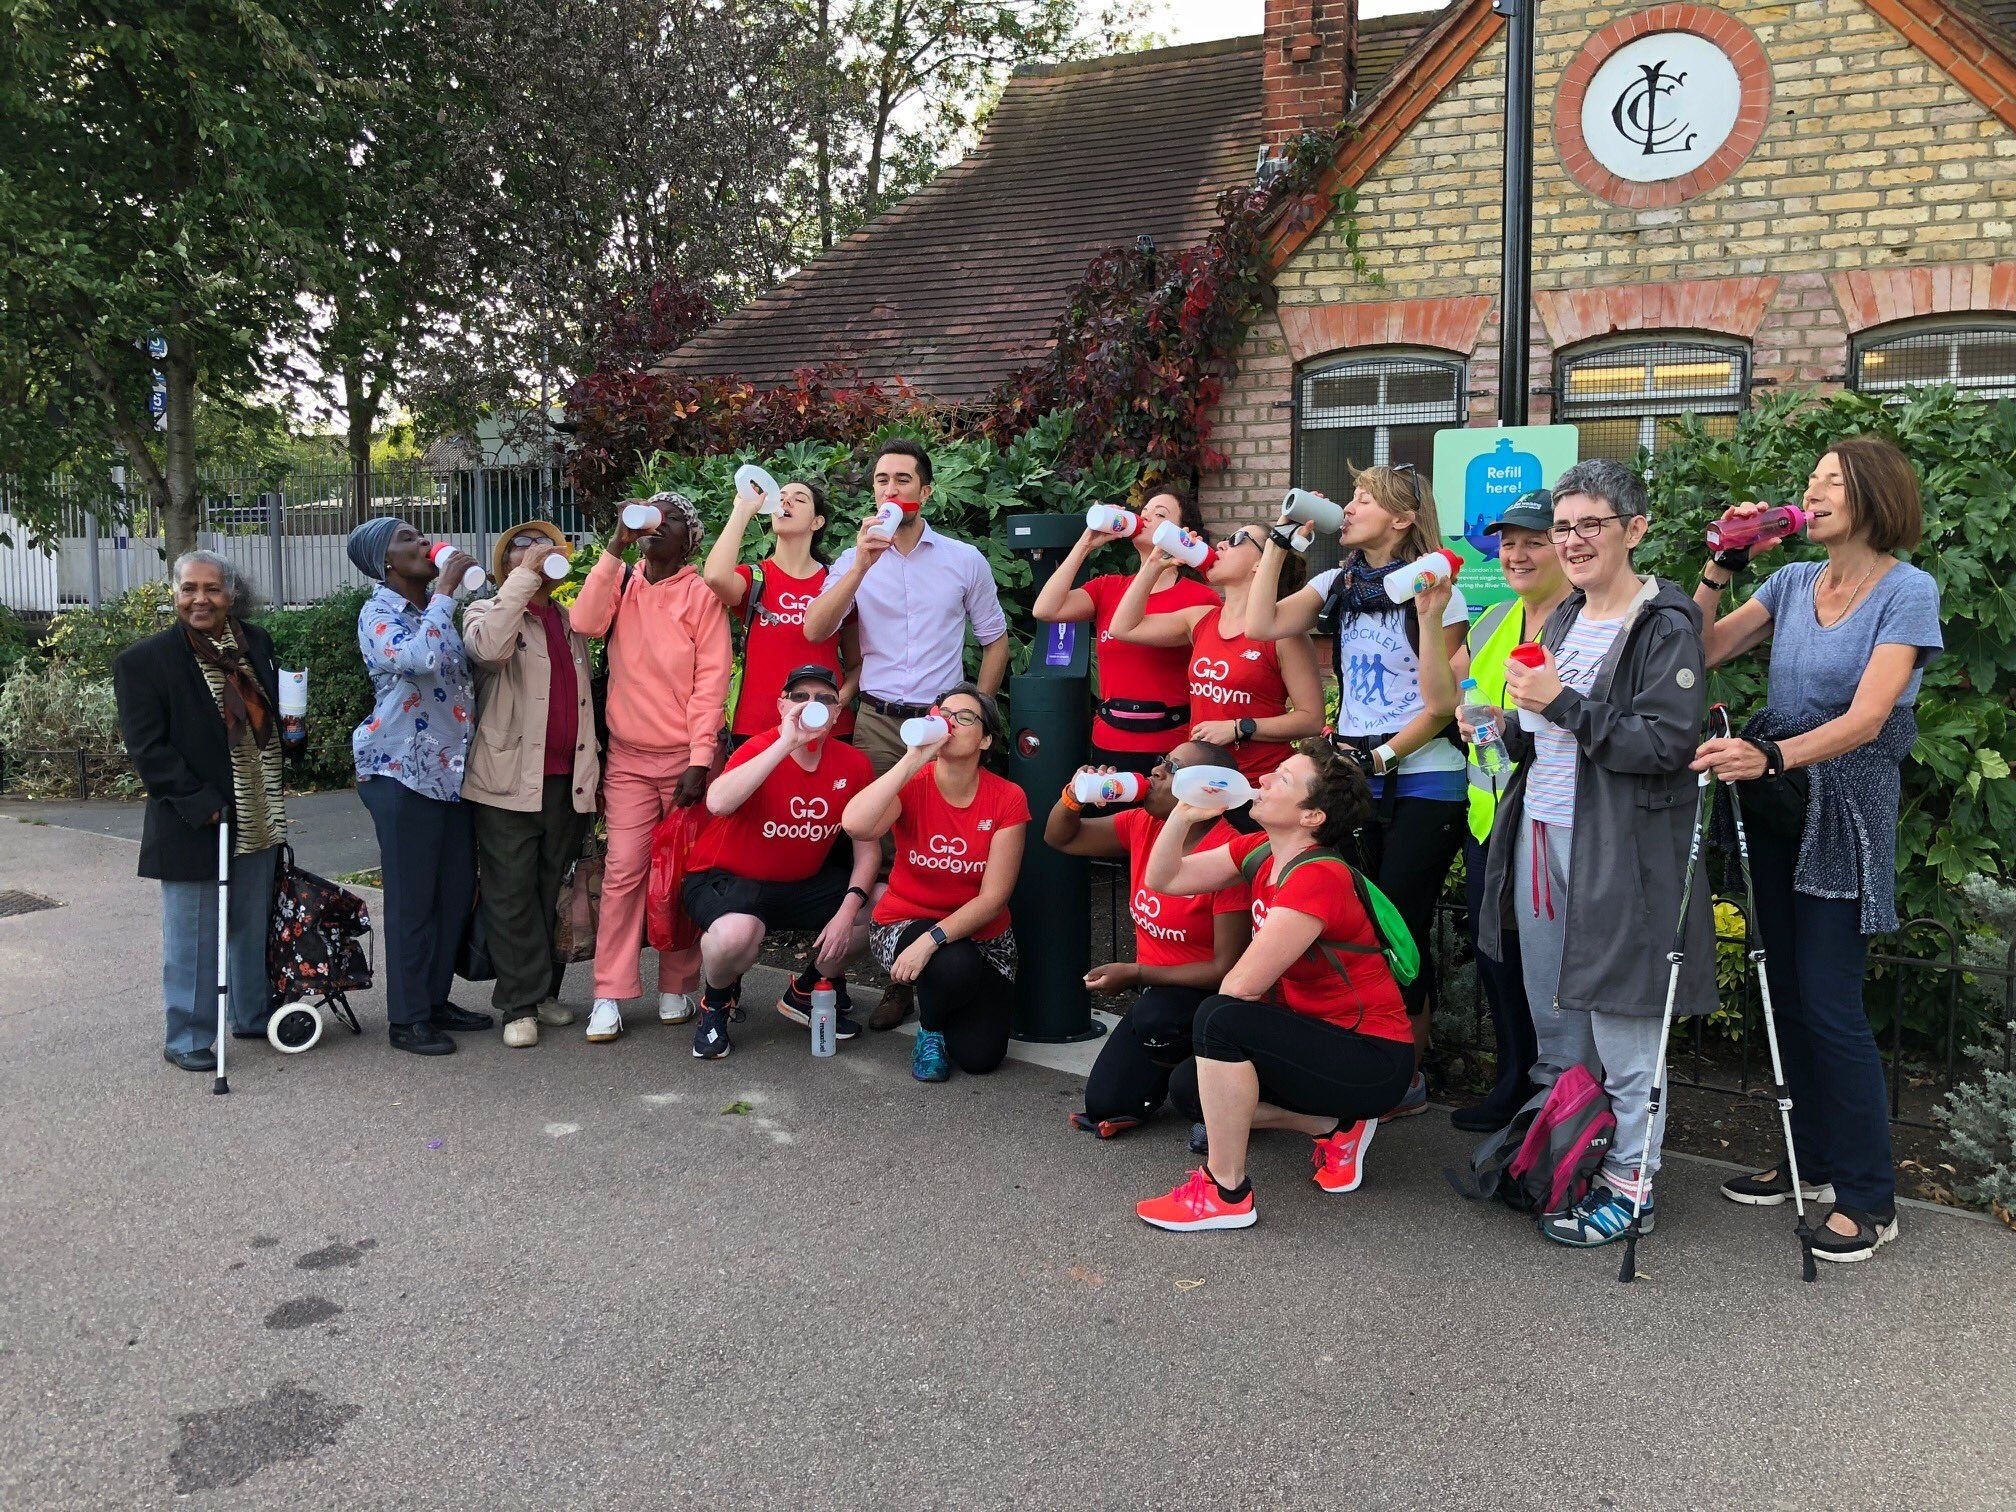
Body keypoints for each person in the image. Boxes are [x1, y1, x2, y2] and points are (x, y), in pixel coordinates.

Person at [1691, 437, 1943, 1263]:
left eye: (1830, 482)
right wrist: (1719, 566)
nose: (1812, 494)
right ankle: (1816, 1164)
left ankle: (1872, 1198)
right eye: (1810, 482)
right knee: (1786, 990)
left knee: (1831, 1000)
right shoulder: (1792, 580)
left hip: (1844, 808)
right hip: (1779, 801)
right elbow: (1699, 655)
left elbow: (1872, 717)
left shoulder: (1907, 590)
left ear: (1872, 494)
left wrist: (1772, 755)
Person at [1475, 459, 1711, 1247]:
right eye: (1563, 527)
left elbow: (1667, 742)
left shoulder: (1662, 624)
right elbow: (1547, 736)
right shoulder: (1565, 619)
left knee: (1623, 1026)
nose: (1572, 542)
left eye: (1589, 526)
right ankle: (1569, 1158)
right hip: (1542, 841)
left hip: (1620, 854)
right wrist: (1504, 725)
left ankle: (1631, 1186)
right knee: (1560, 1023)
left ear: (1633, 531)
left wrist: (1562, 704)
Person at [1248, 464, 1469, 1112]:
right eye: (1349, 497)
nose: (1348, 507)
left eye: (1364, 499)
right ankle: (1363, 1058)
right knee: (1352, 924)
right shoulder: (1337, 582)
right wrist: (1281, 538)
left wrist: (1381, 758)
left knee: (1399, 922)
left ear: (1402, 518)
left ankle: (1406, 1077)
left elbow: (1440, 704)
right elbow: (1261, 624)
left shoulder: (1435, 589)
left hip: (1423, 779)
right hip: (1358, 777)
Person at [1131, 742, 1415, 1231]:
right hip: (1318, 1040)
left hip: (1372, 1058)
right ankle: (1336, 1126)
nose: (1261, 779)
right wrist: (1184, 812)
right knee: (1193, 1092)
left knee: (1218, 1020)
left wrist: (1219, 1043)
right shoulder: (1259, 851)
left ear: (1312, 816)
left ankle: (1226, 1192)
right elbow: (1165, 879)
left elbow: (1241, 986)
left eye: (1281, 778)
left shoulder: (1320, 875)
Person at [803, 438, 1010, 1030]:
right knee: (877, 847)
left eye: (901, 480)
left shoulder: (963, 559)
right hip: (876, 719)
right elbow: (817, 627)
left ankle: (941, 968)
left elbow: (995, 638)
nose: (889, 491)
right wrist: (863, 563)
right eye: (880, 481)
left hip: (943, 726)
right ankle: (898, 975)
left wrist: (980, 711)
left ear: (925, 490)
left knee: (941, 843)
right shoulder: (854, 558)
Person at [114, 551, 289, 1071]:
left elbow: (267, 718)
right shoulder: (144, 662)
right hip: (197, 819)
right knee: (193, 935)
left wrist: (291, 737)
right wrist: (200, 802)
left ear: (230, 594)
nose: (200, 599)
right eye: (189, 588)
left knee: (250, 922)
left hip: (257, 808)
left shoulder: (255, 644)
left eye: (211, 589)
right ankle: (188, 1035)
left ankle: (252, 1013)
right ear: (174, 594)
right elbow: (149, 750)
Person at [570, 491, 732, 1044]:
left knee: (682, 875)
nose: (660, 524)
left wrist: (700, 759)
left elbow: (711, 683)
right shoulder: (622, 579)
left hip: (684, 763)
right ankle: (609, 994)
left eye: (676, 518)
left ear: (693, 537)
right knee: (623, 873)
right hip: (627, 760)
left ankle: (676, 985)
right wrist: (616, 543)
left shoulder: (701, 595)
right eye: (653, 516)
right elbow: (586, 621)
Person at [1044, 741, 1253, 1134]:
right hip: (1159, 997)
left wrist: (1137, 973)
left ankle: (1213, 1071)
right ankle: (1177, 1069)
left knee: (1171, 1051)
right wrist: (1076, 795)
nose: (1156, 771)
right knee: (1105, 1104)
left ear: (1210, 791)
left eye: (1172, 768)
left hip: (1209, 1001)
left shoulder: (1230, 855)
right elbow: (1062, 838)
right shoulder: (1144, 824)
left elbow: (1226, 969)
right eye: (1161, 762)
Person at [1443, 490, 1571, 1131]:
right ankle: (1513, 1082)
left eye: (1533, 540)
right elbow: (1443, 695)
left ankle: (1550, 1096)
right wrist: (1427, 618)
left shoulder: (1581, 622)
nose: (1517, 553)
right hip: (1488, 816)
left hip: (1545, 820)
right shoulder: (1495, 618)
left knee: (1543, 964)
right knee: (1497, 957)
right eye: (1509, 542)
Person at [679, 664, 880, 1060]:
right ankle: (716, 1002)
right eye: (800, 696)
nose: (812, 706)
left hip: (802, 883)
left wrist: (848, 910)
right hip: (728, 880)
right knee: (735, 936)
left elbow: (868, 849)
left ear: (838, 713)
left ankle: (808, 989)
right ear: (781, 705)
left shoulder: (854, 764)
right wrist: (784, 744)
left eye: (824, 699)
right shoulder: (760, 748)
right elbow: (718, 803)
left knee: (885, 906)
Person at [347, 518, 489, 1056]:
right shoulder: (378, 611)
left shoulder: (438, 609)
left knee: (453, 893)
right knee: (412, 901)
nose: (423, 542)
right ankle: (407, 1020)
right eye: (405, 539)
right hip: (400, 773)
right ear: (383, 561)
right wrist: (447, 592)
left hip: (451, 774)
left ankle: (434, 1000)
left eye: (420, 534)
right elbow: (418, 659)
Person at [840, 684, 1028, 1081]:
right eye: (942, 713)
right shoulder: (914, 781)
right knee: (953, 964)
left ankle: (944, 1000)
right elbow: (855, 823)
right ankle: (931, 1028)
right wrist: (911, 760)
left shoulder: (1007, 798)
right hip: (904, 924)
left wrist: (931, 942)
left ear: (986, 739)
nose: (949, 721)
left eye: (964, 717)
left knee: (980, 1058)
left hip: (983, 937)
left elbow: (993, 899)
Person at [461, 521, 599, 1049]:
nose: (540, 551)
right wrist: (520, 578)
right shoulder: (487, 611)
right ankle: (517, 1003)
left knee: (551, 890)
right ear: (506, 561)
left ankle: (542, 992)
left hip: (567, 781)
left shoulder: (569, 621)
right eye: (523, 544)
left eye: (549, 545)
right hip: (506, 780)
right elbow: (489, 650)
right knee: (510, 891)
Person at [1105, 521, 1323, 782]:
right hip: (1200, 779)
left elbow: (1311, 719)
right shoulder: (1200, 619)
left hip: (1257, 783)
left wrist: (1239, 728)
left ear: (1261, 564)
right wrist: (1154, 563)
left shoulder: (1284, 634)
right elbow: (1123, 628)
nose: (1220, 544)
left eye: (1237, 539)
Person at [1031, 487, 1220, 778]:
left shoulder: (1200, 599)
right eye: (1143, 513)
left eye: (1159, 514)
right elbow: (1046, 610)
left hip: (1171, 747)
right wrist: (1085, 543)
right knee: (1106, 822)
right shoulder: (1109, 587)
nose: (1145, 518)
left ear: (1184, 533)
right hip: (1109, 743)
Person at [700, 475, 861, 750]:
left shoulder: (836, 583)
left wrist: (837, 703)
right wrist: (742, 510)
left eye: (799, 499)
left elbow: (857, 662)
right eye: (782, 496)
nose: (786, 501)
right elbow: (715, 576)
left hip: (826, 729)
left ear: (817, 522)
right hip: (756, 728)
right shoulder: (755, 578)